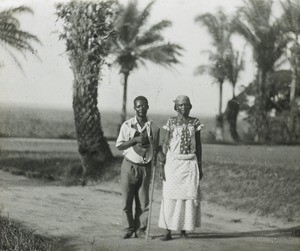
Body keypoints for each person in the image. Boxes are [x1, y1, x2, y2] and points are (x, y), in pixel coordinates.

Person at [158, 95, 203, 241]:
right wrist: (161, 165)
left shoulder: (195, 122)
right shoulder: (171, 122)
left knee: (187, 198)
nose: (183, 107)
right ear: (176, 107)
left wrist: (200, 166)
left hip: (190, 164)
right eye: (180, 104)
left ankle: (184, 229)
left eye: (186, 104)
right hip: (173, 164)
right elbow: (165, 144)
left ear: (190, 107)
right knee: (169, 196)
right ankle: (167, 231)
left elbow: (199, 145)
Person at [116, 96, 161, 239]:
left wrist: (160, 155)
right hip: (129, 166)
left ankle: (141, 229)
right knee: (127, 200)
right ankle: (127, 228)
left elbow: (157, 146)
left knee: (143, 201)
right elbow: (119, 145)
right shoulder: (127, 125)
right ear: (134, 108)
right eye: (138, 106)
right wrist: (135, 139)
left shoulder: (153, 126)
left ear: (148, 107)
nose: (141, 108)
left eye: (144, 106)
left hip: (146, 167)